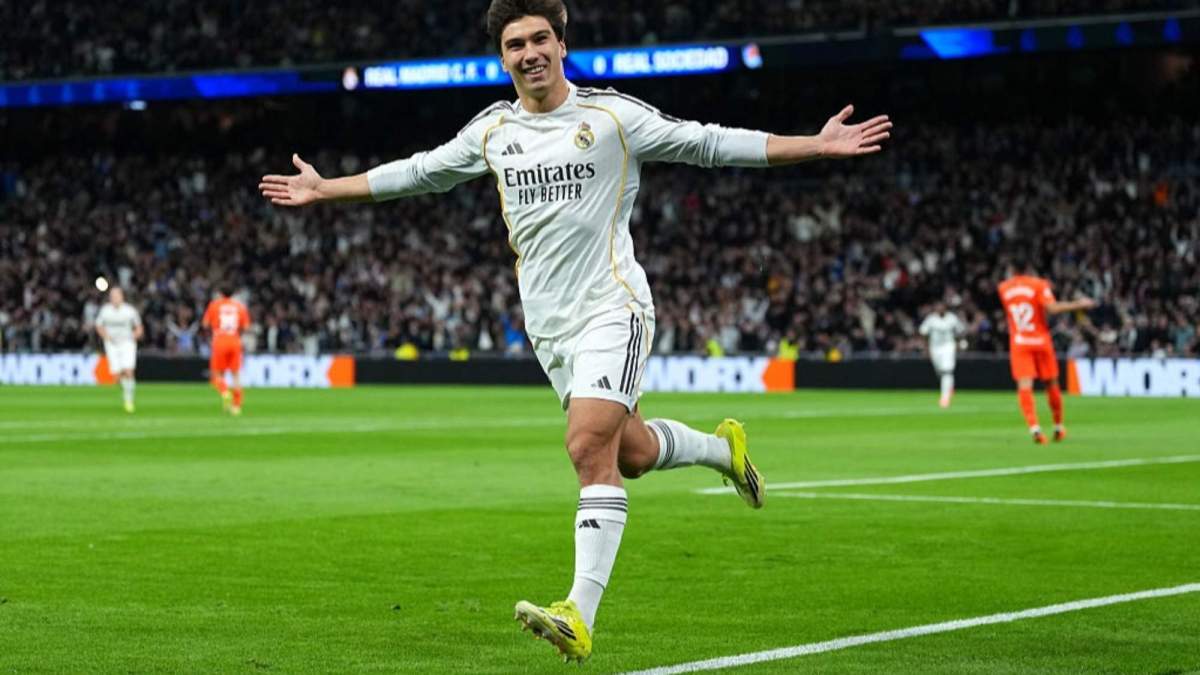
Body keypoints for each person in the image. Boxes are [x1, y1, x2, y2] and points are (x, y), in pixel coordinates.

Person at [259, 0, 891, 661]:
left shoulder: (613, 117)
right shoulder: (492, 131)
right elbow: (420, 171)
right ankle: (721, 449)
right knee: (632, 454)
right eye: (514, 44)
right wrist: (326, 189)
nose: (528, 52)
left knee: (588, 444)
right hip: (550, 328)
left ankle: (577, 613)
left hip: (612, 307)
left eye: (539, 39)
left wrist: (813, 145)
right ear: (500, 58)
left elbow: (709, 141)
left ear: (563, 45)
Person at [997, 258, 1095, 444]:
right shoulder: (1039, 285)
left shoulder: (1004, 288)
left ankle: (1035, 429)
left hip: (1019, 341)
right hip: (1041, 340)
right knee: (1051, 383)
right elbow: (1052, 308)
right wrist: (1079, 304)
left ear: (1011, 269)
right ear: (1030, 268)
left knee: (1025, 386)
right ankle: (1058, 427)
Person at [202, 286, 251, 415]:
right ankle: (236, 406)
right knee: (236, 375)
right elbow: (246, 327)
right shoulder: (239, 306)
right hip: (235, 341)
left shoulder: (214, 305)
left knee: (216, 376)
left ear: (220, 293)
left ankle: (224, 392)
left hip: (219, 341)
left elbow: (205, 324)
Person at [94, 287, 143, 413]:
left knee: (128, 370)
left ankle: (129, 400)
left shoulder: (130, 311)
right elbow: (98, 326)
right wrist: (106, 336)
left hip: (127, 343)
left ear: (122, 297)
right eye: (112, 296)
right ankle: (126, 391)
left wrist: (134, 336)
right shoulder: (105, 311)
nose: (114, 298)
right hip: (111, 344)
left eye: (117, 296)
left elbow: (139, 328)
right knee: (116, 376)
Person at [918, 301, 964, 408]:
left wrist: (958, 344)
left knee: (947, 371)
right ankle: (949, 386)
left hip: (948, 346)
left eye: (942, 306)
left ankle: (945, 398)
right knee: (939, 371)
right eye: (938, 306)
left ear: (945, 308)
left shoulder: (952, 318)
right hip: (935, 347)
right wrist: (926, 348)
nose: (940, 308)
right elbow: (923, 332)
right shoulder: (931, 319)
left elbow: (960, 331)